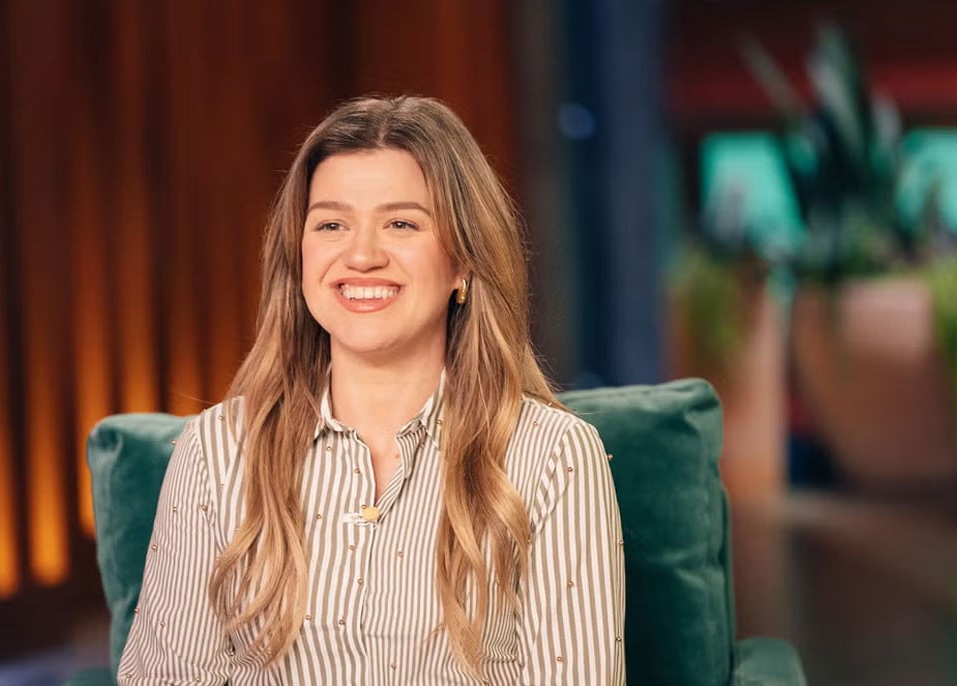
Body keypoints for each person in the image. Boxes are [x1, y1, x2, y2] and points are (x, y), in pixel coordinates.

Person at [118, 95, 625, 685]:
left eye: (401, 224)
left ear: (464, 260)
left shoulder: (554, 456)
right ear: (299, 255)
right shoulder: (216, 451)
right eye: (331, 224)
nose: (361, 256)